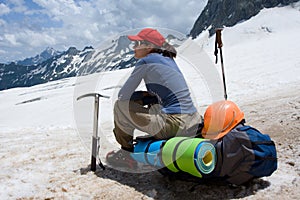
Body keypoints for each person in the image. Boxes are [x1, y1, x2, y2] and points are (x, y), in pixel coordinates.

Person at [106, 28, 203, 169]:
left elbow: (123, 96)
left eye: (137, 43)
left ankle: (126, 154)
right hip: (193, 120)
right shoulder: (166, 59)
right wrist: (145, 97)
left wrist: (140, 98)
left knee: (120, 106)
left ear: (149, 46)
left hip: (175, 123)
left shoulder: (146, 61)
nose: (134, 47)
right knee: (151, 102)